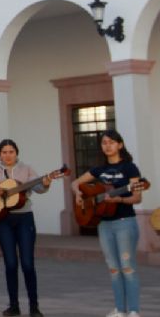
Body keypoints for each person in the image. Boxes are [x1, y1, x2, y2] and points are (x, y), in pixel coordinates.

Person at [0, 139, 56, 317]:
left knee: (27, 264)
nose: (8, 155)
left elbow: (39, 188)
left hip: (24, 219)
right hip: (4, 220)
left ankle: (34, 306)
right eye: (4, 152)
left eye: (11, 152)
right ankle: (14, 305)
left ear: (17, 153)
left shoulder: (27, 169)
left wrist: (47, 181)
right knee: (10, 264)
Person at [71, 130, 143, 317]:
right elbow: (75, 183)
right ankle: (119, 310)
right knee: (113, 268)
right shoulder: (98, 170)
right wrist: (78, 194)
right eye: (104, 143)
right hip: (104, 224)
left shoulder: (129, 168)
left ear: (120, 145)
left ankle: (134, 311)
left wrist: (119, 200)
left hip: (125, 222)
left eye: (111, 142)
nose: (107, 145)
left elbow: (137, 197)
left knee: (127, 267)